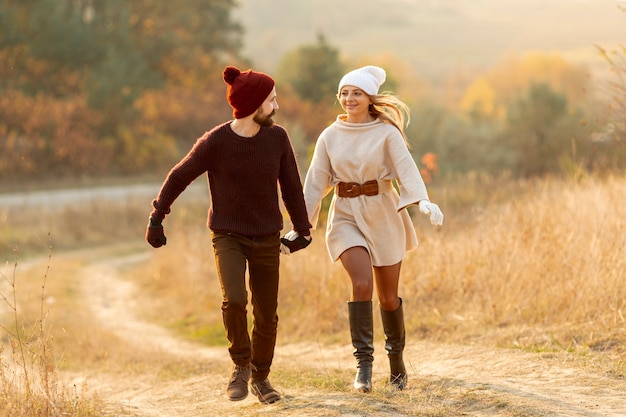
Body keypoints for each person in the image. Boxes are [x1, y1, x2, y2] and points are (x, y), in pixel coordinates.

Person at [145, 65, 312, 405]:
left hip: (267, 235)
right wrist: (157, 217)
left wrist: (302, 230)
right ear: (254, 103)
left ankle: (261, 377)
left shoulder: (277, 138)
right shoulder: (216, 142)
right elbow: (180, 175)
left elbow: (292, 187)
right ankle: (241, 366)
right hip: (228, 234)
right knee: (234, 300)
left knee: (267, 312)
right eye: (271, 100)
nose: (276, 106)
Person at [302, 65, 443, 393]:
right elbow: (314, 184)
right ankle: (363, 367)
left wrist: (421, 201)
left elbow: (406, 171)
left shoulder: (386, 133)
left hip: (383, 214)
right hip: (345, 215)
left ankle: (396, 361)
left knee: (388, 298)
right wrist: (300, 225)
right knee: (361, 284)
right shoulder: (329, 136)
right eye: (344, 93)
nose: (349, 98)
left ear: (369, 98)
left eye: (356, 93)